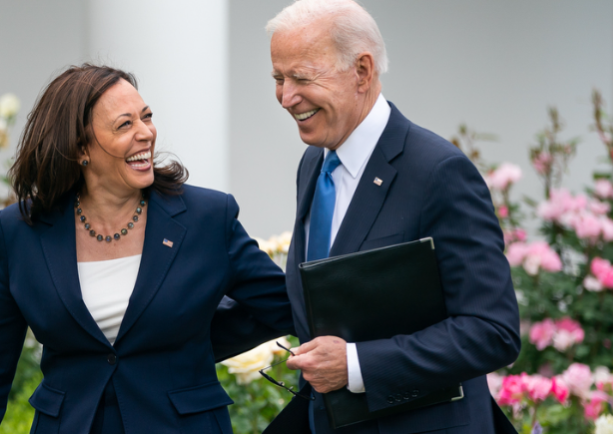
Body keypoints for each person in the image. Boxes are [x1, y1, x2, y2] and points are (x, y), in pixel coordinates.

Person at [220, 1, 522, 433]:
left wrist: (356, 364)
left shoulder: (437, 172)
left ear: (362, 71)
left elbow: (492, 331)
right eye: (278, 78)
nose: (286, 97)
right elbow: (320, 299)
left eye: (302, 77)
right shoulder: (314, 163)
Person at [0, 64, 294, 434]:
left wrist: (194, 340)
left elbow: (284, 307)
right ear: (81, 147)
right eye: (125, 125)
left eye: (147, 117)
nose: (146, 134)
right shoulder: (21, 230)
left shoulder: (207, 218)